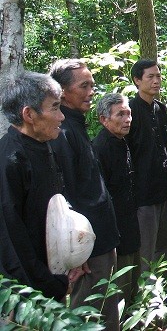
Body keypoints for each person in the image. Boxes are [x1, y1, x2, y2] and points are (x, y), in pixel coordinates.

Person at [0, 71, 85, 301]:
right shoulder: (10, 160)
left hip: (53, 276)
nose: (62, 117)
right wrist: (48, 284)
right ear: (29, 114)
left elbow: (57, 210)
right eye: (55, 108)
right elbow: (12, 242)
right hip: (26, 295)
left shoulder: (44, 145)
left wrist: (75, 251)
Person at [49, 59, 120, 330]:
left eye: (92, 84)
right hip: (87, 251)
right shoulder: (62, 133)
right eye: (84, 85)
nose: (92, 91)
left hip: (100, 243)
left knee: (106, 310)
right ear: (62, 92)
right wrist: (77, 253)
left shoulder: (76, 125)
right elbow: (64, 196)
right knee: (89, 316)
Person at [126, 59, 167, 288]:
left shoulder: (161, 109)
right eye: (150, 77)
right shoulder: (129, 110)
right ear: (137, 80)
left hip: (164, 189)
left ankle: (164, 292)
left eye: (158, 76)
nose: (156, 81)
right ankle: (145, 298)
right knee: (146, 249)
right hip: (143, 193)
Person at [93, 93, 141, 309]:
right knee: (119, 286)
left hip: (129, 223)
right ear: (104, 119)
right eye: (120, 114)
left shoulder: (121, 142)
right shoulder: (101, 147)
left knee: (132, 278)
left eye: (128, 113)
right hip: (115, 231)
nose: (127, 119)